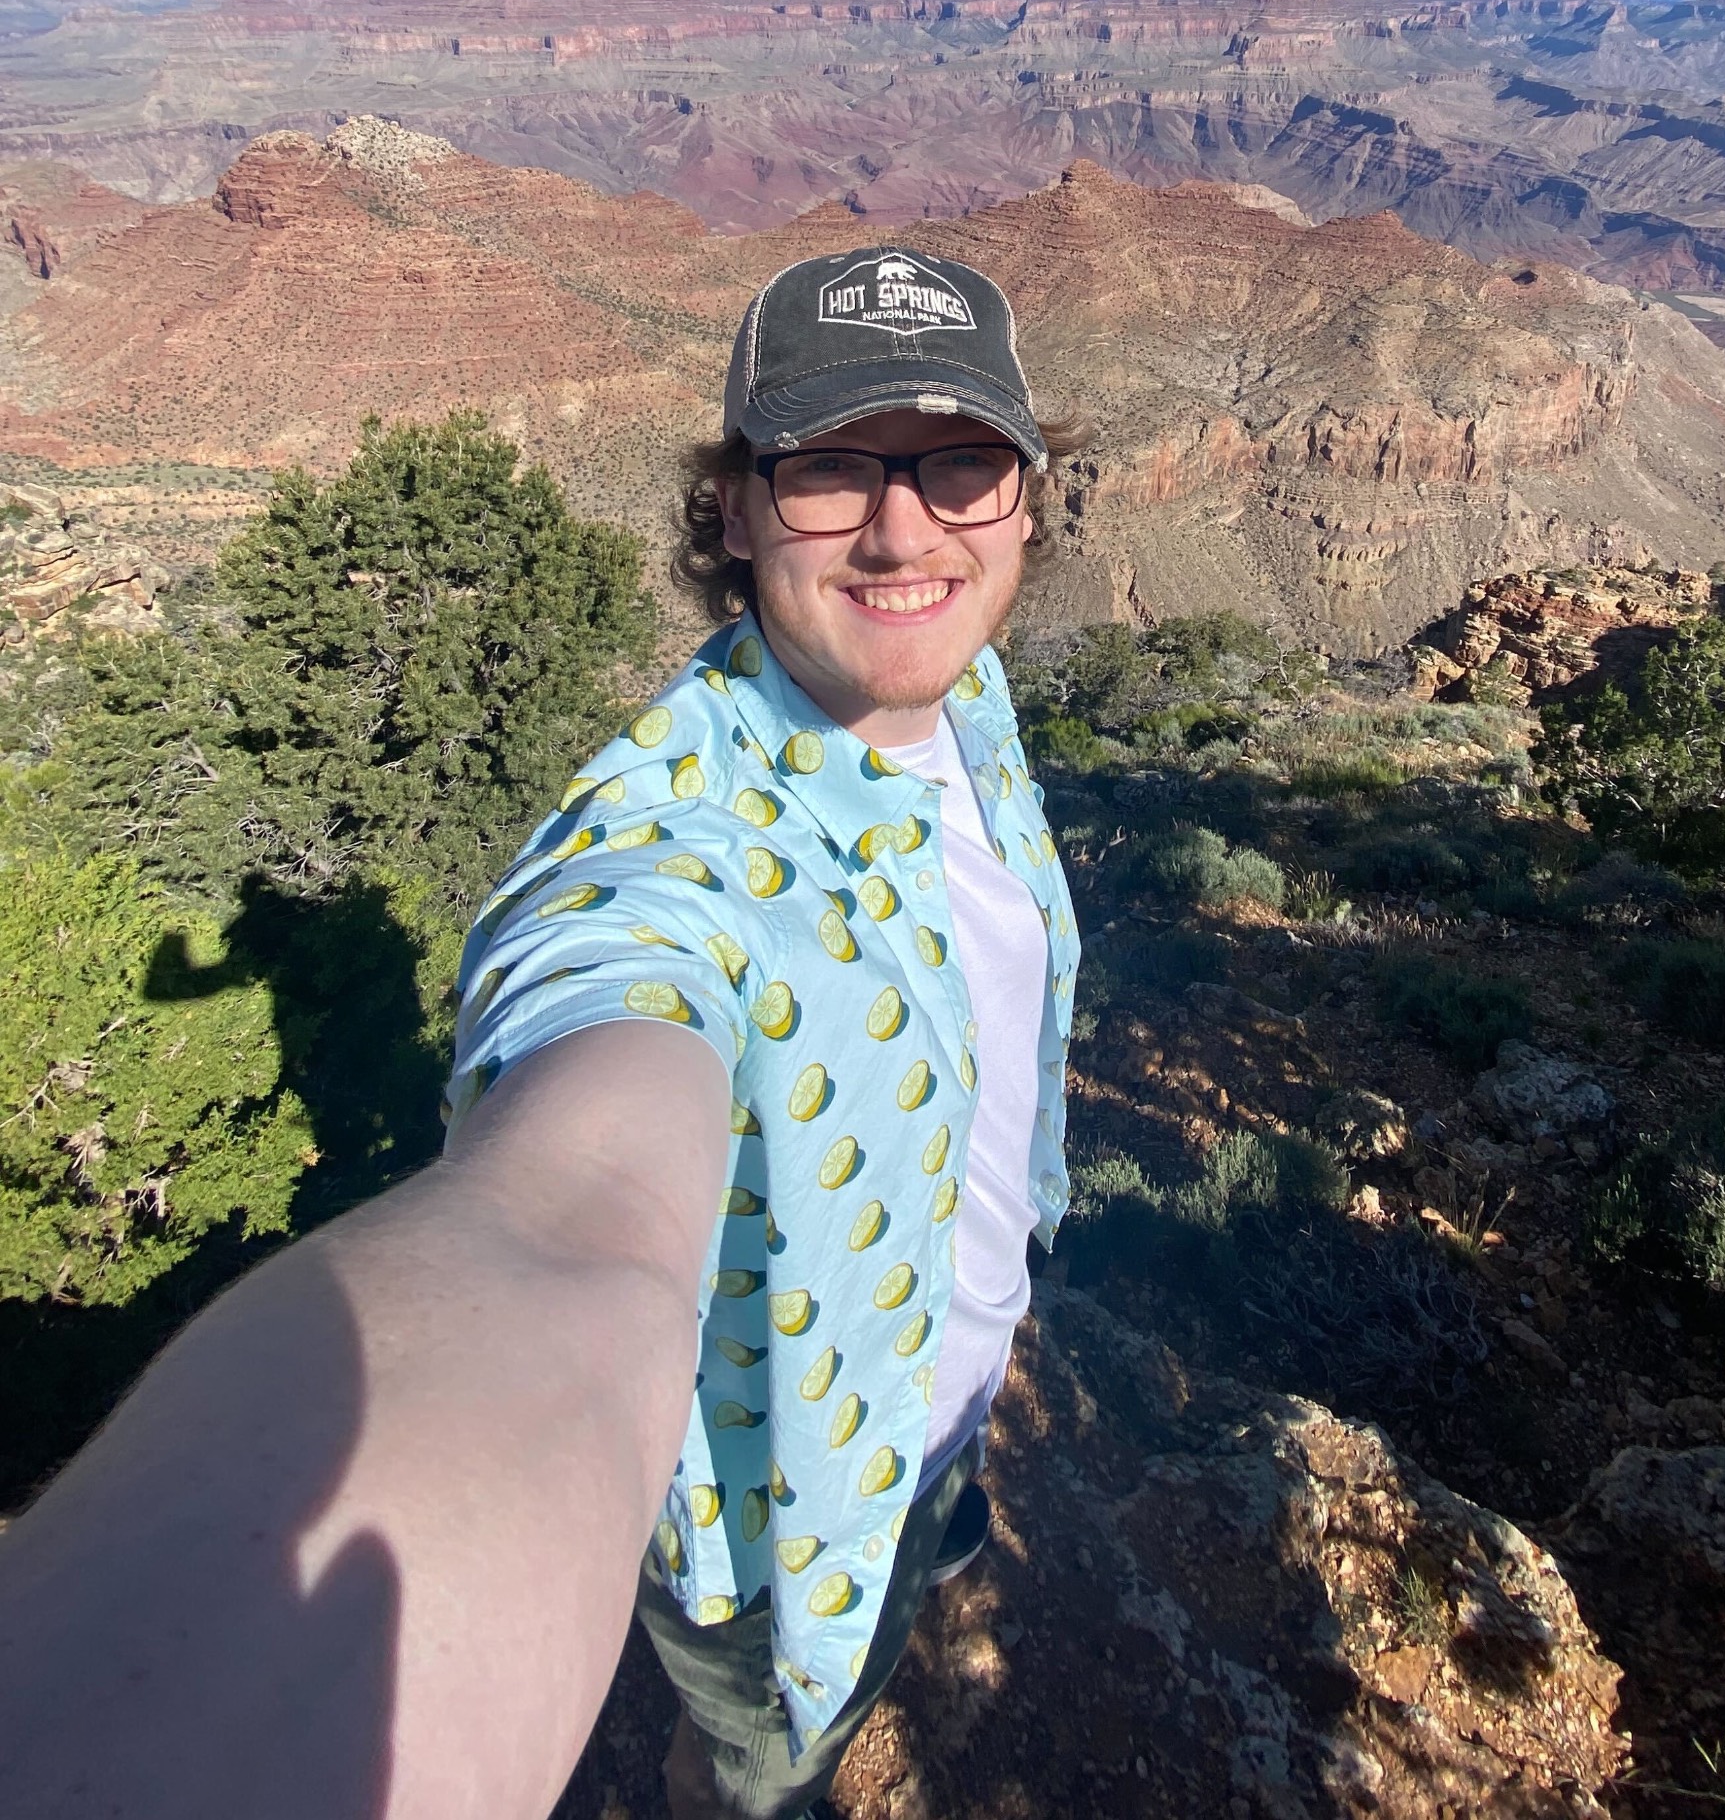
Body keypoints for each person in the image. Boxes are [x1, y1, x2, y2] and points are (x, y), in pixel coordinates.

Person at [0, 243, 1082, 1820]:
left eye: (958, 465)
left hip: (939, 1385)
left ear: (1025, 504)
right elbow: (573, 1209)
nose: (904, 525)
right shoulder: (669, 848)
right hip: (787, 1531)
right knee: (764, 1764)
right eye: (832, 468)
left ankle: (931, 1507)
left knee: (919, 1537)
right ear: (733, 507)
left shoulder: (960, 699)